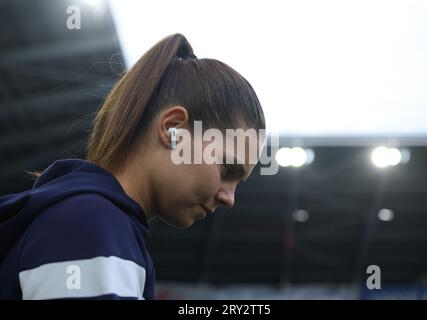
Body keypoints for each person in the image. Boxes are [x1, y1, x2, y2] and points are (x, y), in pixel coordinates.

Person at [0, 33, 265, 299]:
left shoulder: (92, 220)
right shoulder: (90, 222)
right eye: (228, 168)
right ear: (174, 129)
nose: (229, 198)